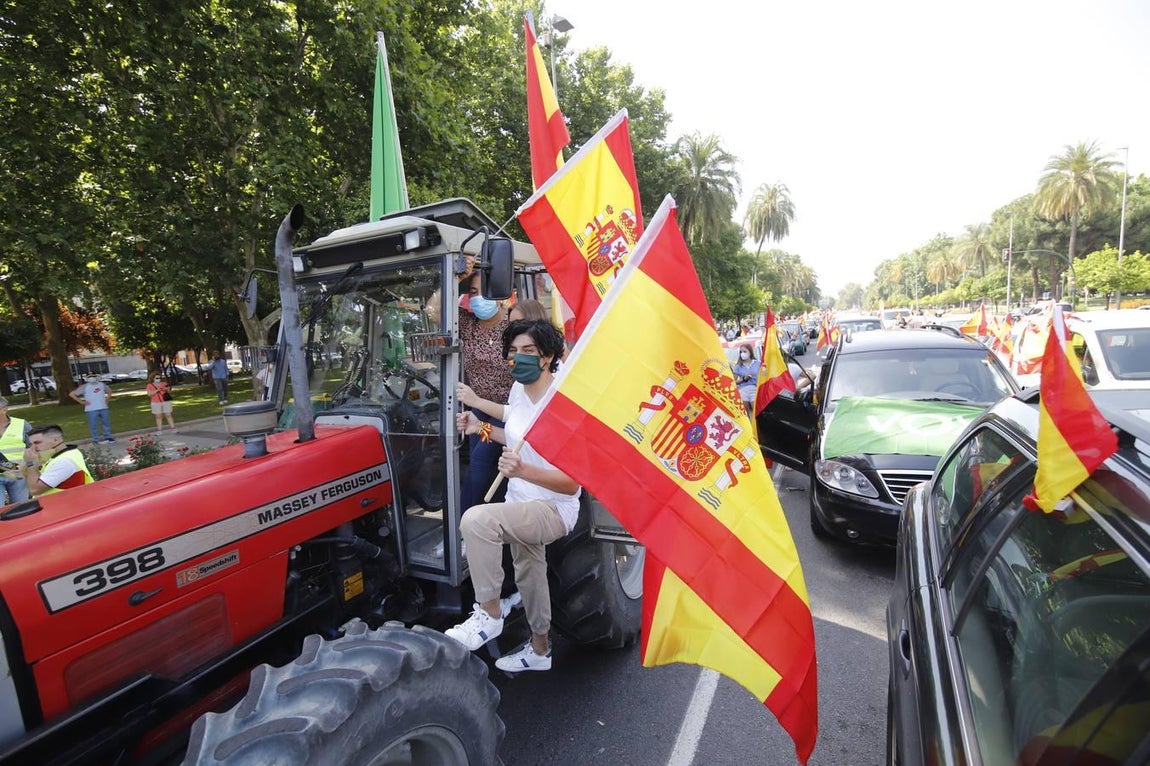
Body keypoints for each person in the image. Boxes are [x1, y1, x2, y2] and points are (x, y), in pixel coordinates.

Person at [445, 319, 579, 673]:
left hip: (552, 508)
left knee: (476, 520)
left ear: (548, 357)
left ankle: (488, 613)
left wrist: (523, 471)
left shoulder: (562, 404)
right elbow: (516, 429)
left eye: (529, 352)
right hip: (519, 502)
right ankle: (539, 650)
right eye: (513, 351)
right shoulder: (520, 391)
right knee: (528, 574)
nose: (518, 358)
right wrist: (481, 427)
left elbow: (572, 485)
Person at [457, 266, 513, 512]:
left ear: (500, 296)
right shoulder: (468, 326)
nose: (478, 297)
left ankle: (467, 523)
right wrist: (457, 277)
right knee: (483, 466)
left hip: (506, 411)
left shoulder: (514, 325)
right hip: (479, 409)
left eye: (485, 291)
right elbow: (434, 311)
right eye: (473, 291)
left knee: (481, 462)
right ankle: (472, 522)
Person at [22, 424, 93, 495]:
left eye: (37, 443)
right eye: (31, 444)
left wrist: (30, 464)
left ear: (55, 440)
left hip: (63, 503)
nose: (32, 448)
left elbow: (34, 490)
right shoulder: (68, 453)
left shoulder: (64, 461)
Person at [0, 396, 31, 506]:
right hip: (11, 470)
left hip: (19, 476)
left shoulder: (22, 425)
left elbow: (33, 448)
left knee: (21, 510)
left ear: (4, 410)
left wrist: (31, 469)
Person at [70, 374, 114, 444]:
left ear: (96, 377)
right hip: (91, 409)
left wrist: (107, 399)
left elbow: (109, 391)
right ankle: (95, 439)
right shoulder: (84, 387)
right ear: (87, 378)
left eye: (93, 376)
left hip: (103, 407)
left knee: (106, 423)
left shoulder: (102, 385)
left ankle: (108, 437)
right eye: (89, 377)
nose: (91, 378)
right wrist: (81, 402)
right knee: (93, 425)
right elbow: (72, 394)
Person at [732, 344, 762, 416]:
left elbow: (764, 375)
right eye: (741, 352)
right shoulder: (738, 366)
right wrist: (743, 379)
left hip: (755, 390)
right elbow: (733, 382)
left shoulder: (758, 363)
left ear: (750, 352)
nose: (742, 354)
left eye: (744, 351)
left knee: (757, 414)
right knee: (745, 414)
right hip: (743, 390)